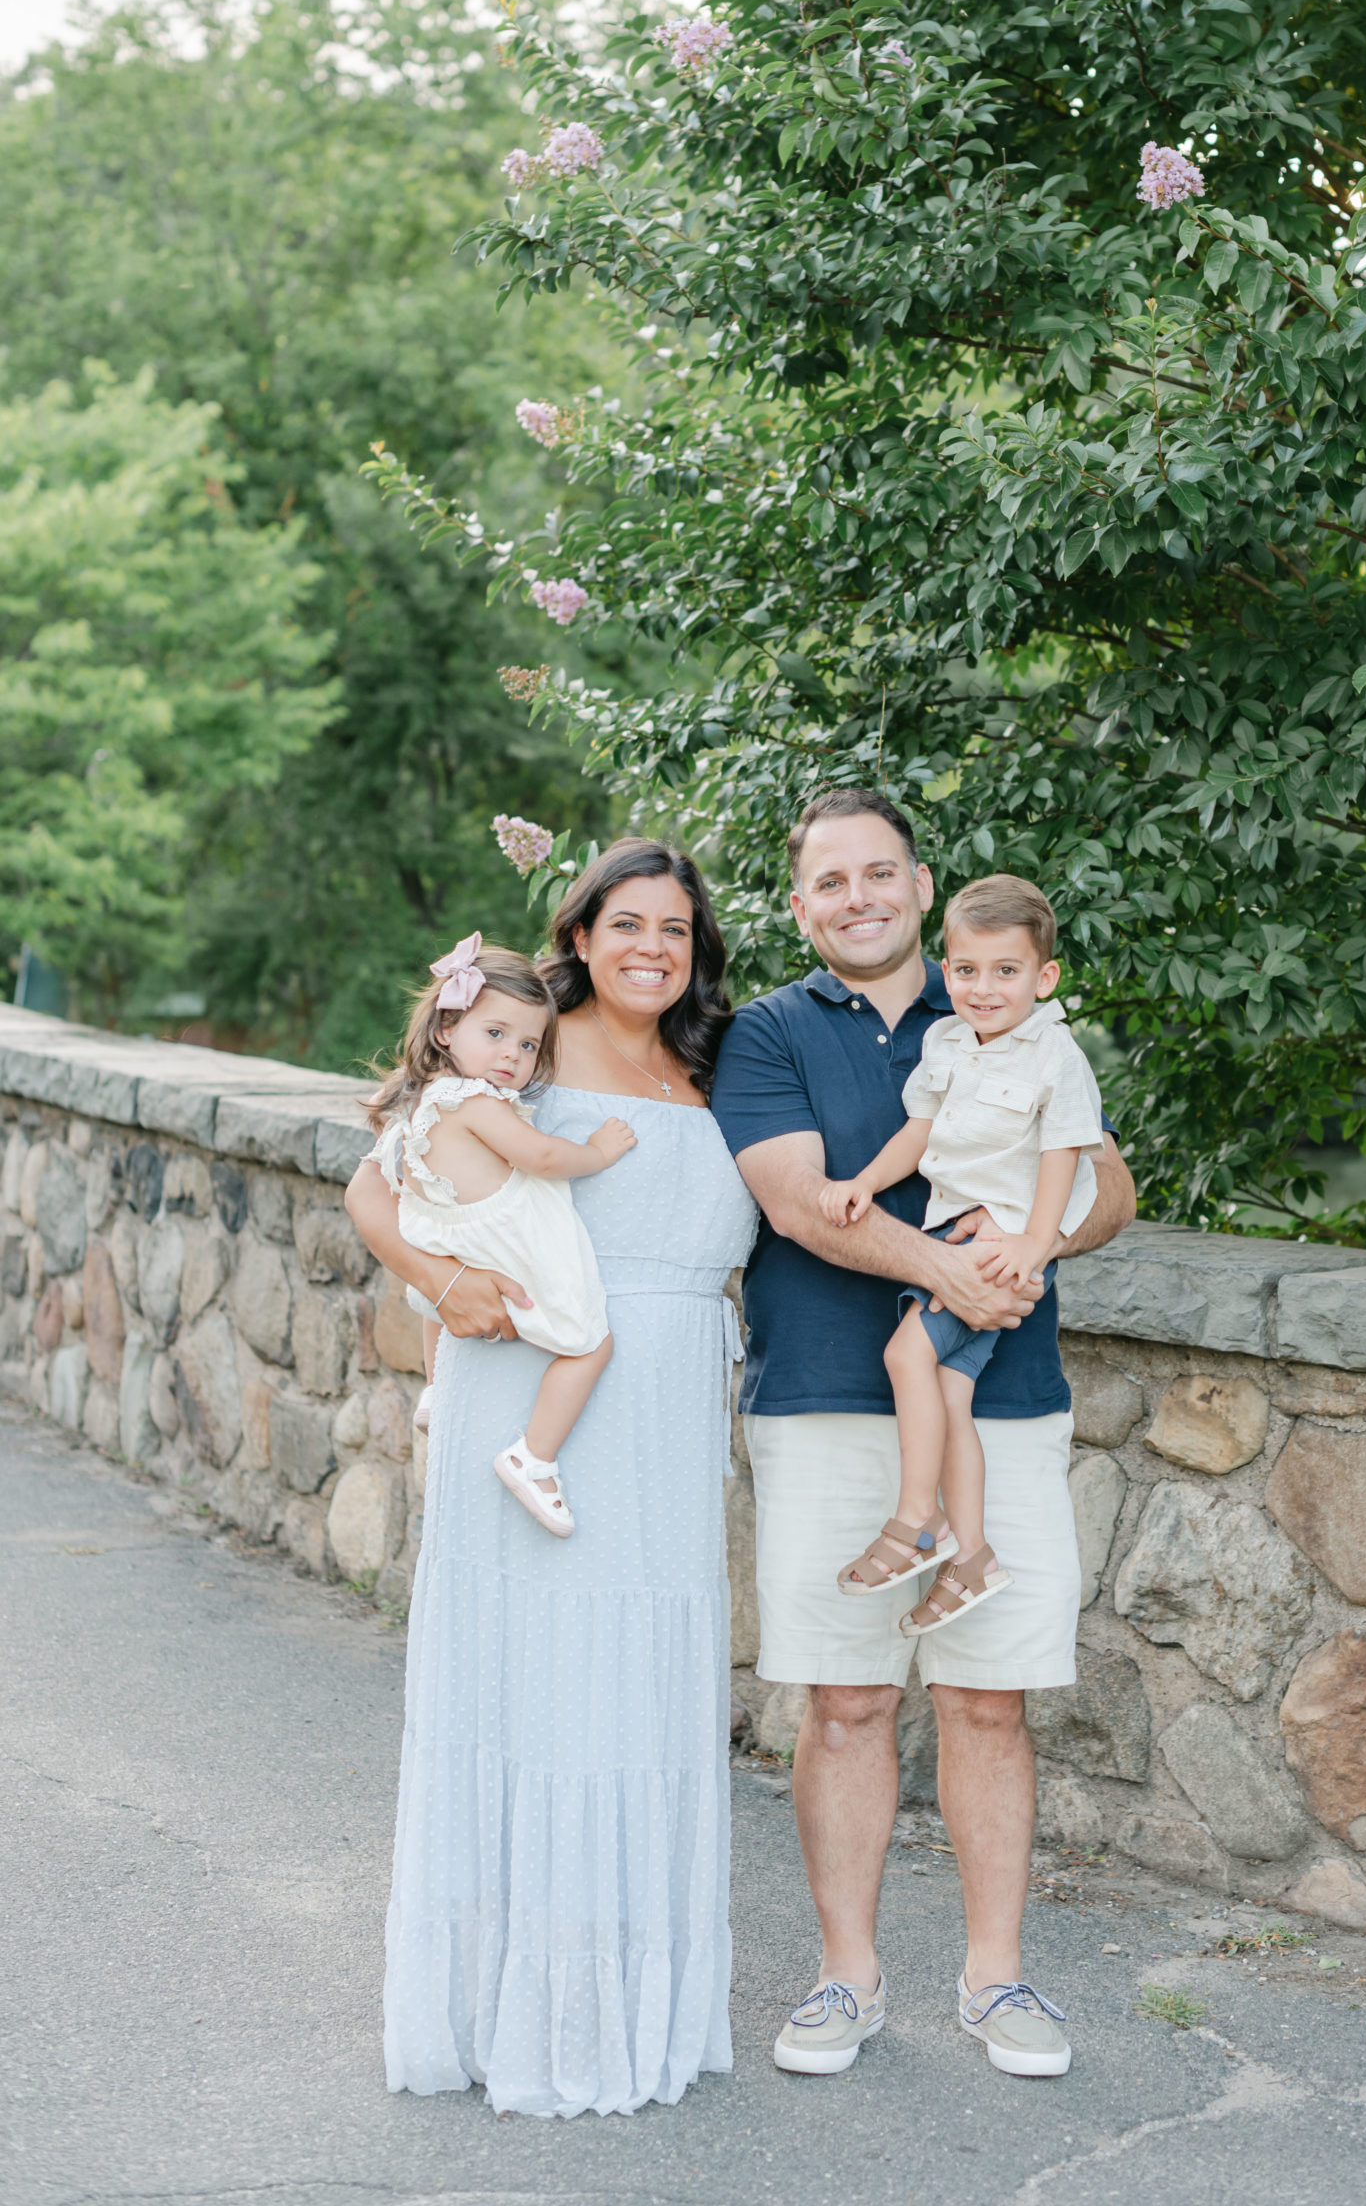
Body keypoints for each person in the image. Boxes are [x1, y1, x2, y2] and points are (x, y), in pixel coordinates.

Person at [710, 789, 1136, 2082]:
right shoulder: (767, 1035)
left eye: (878, 873)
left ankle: (996, 1981)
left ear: (918, 880)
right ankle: (846, 1980)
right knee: (842, 1704)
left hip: (1006, 1393)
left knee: (987, 1702)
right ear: (799, 905)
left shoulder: (1000, 1013)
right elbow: (799, 1203)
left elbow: (1106, 1181)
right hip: (826, 1397)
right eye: (829, 881)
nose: (857, 897)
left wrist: (1026, 1246)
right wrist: (949, 1275)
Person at [345, 841, 756, 2119]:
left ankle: (628, 2001)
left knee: (636, 1687)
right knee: (535, 1681)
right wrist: (443, 1282)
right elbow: (376, 1177)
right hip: (537, 1376)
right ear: (578, 934)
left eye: (675, 928)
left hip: (673, 1394)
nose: (652, 946)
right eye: (625, 922)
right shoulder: (526, 1041)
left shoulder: (715, 1060)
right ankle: (508, 2006)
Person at [819, 875, 1105, 1631]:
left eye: (1005, 971)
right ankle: (972, 1556)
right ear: (946, 968)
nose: (983, 988)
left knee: (904, 1358)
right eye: (967, 970)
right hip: (955, 1234)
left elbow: (1063, 1157)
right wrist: (864, 1182)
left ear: (1042, 977)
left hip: (998, 1247)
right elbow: (919, 1135)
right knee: (948, 1397)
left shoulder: (1055, 1055)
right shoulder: (945, 1041)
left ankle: (919, 1520)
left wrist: (1031, 1249)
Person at [363, 931, 636, 1535]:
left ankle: (435, 1388)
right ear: (445, 1030)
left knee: (435, 1295)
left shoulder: (421, 1100)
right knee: (592, 1343)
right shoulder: (476, 1101)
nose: (513, 1054)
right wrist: (596, 1150)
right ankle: (533, 1456)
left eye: (529, 1044)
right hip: (504, 1237)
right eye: (495, 1034)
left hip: (442, 1236)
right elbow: (539, 1157)